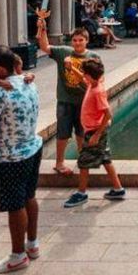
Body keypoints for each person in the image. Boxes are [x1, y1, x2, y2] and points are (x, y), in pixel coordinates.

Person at [0, 45, 43, 273]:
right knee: (29, 196)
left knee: (14, 205)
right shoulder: (27, 81)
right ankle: (32, 245)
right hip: (33, 147)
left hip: (12, 156)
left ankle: (18, 255)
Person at [36, 16, 99, 175]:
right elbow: (44, 47)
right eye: (75, 40)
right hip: (65, 101)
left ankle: (82, 158)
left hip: (84, 102)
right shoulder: (64, 51)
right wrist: (42, 29)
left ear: (86, 41)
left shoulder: (93, 57)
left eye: (80, 40)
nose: (77, 43)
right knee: (63, 132)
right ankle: (59, 163)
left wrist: (72, 69)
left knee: (81, 132)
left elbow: (92, 83)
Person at [63, 57, 126, 207]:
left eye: (85, 74)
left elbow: (108, 114)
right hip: (93, 130)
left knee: (83, 162)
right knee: (105, 158)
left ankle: (81, 193)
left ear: (90, 76)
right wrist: (72, 69)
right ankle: (118, 189)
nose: (83, 76)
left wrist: (96, 135)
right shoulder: (93, 83)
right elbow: (82, 78)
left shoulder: (97, 91)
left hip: (94, 131)